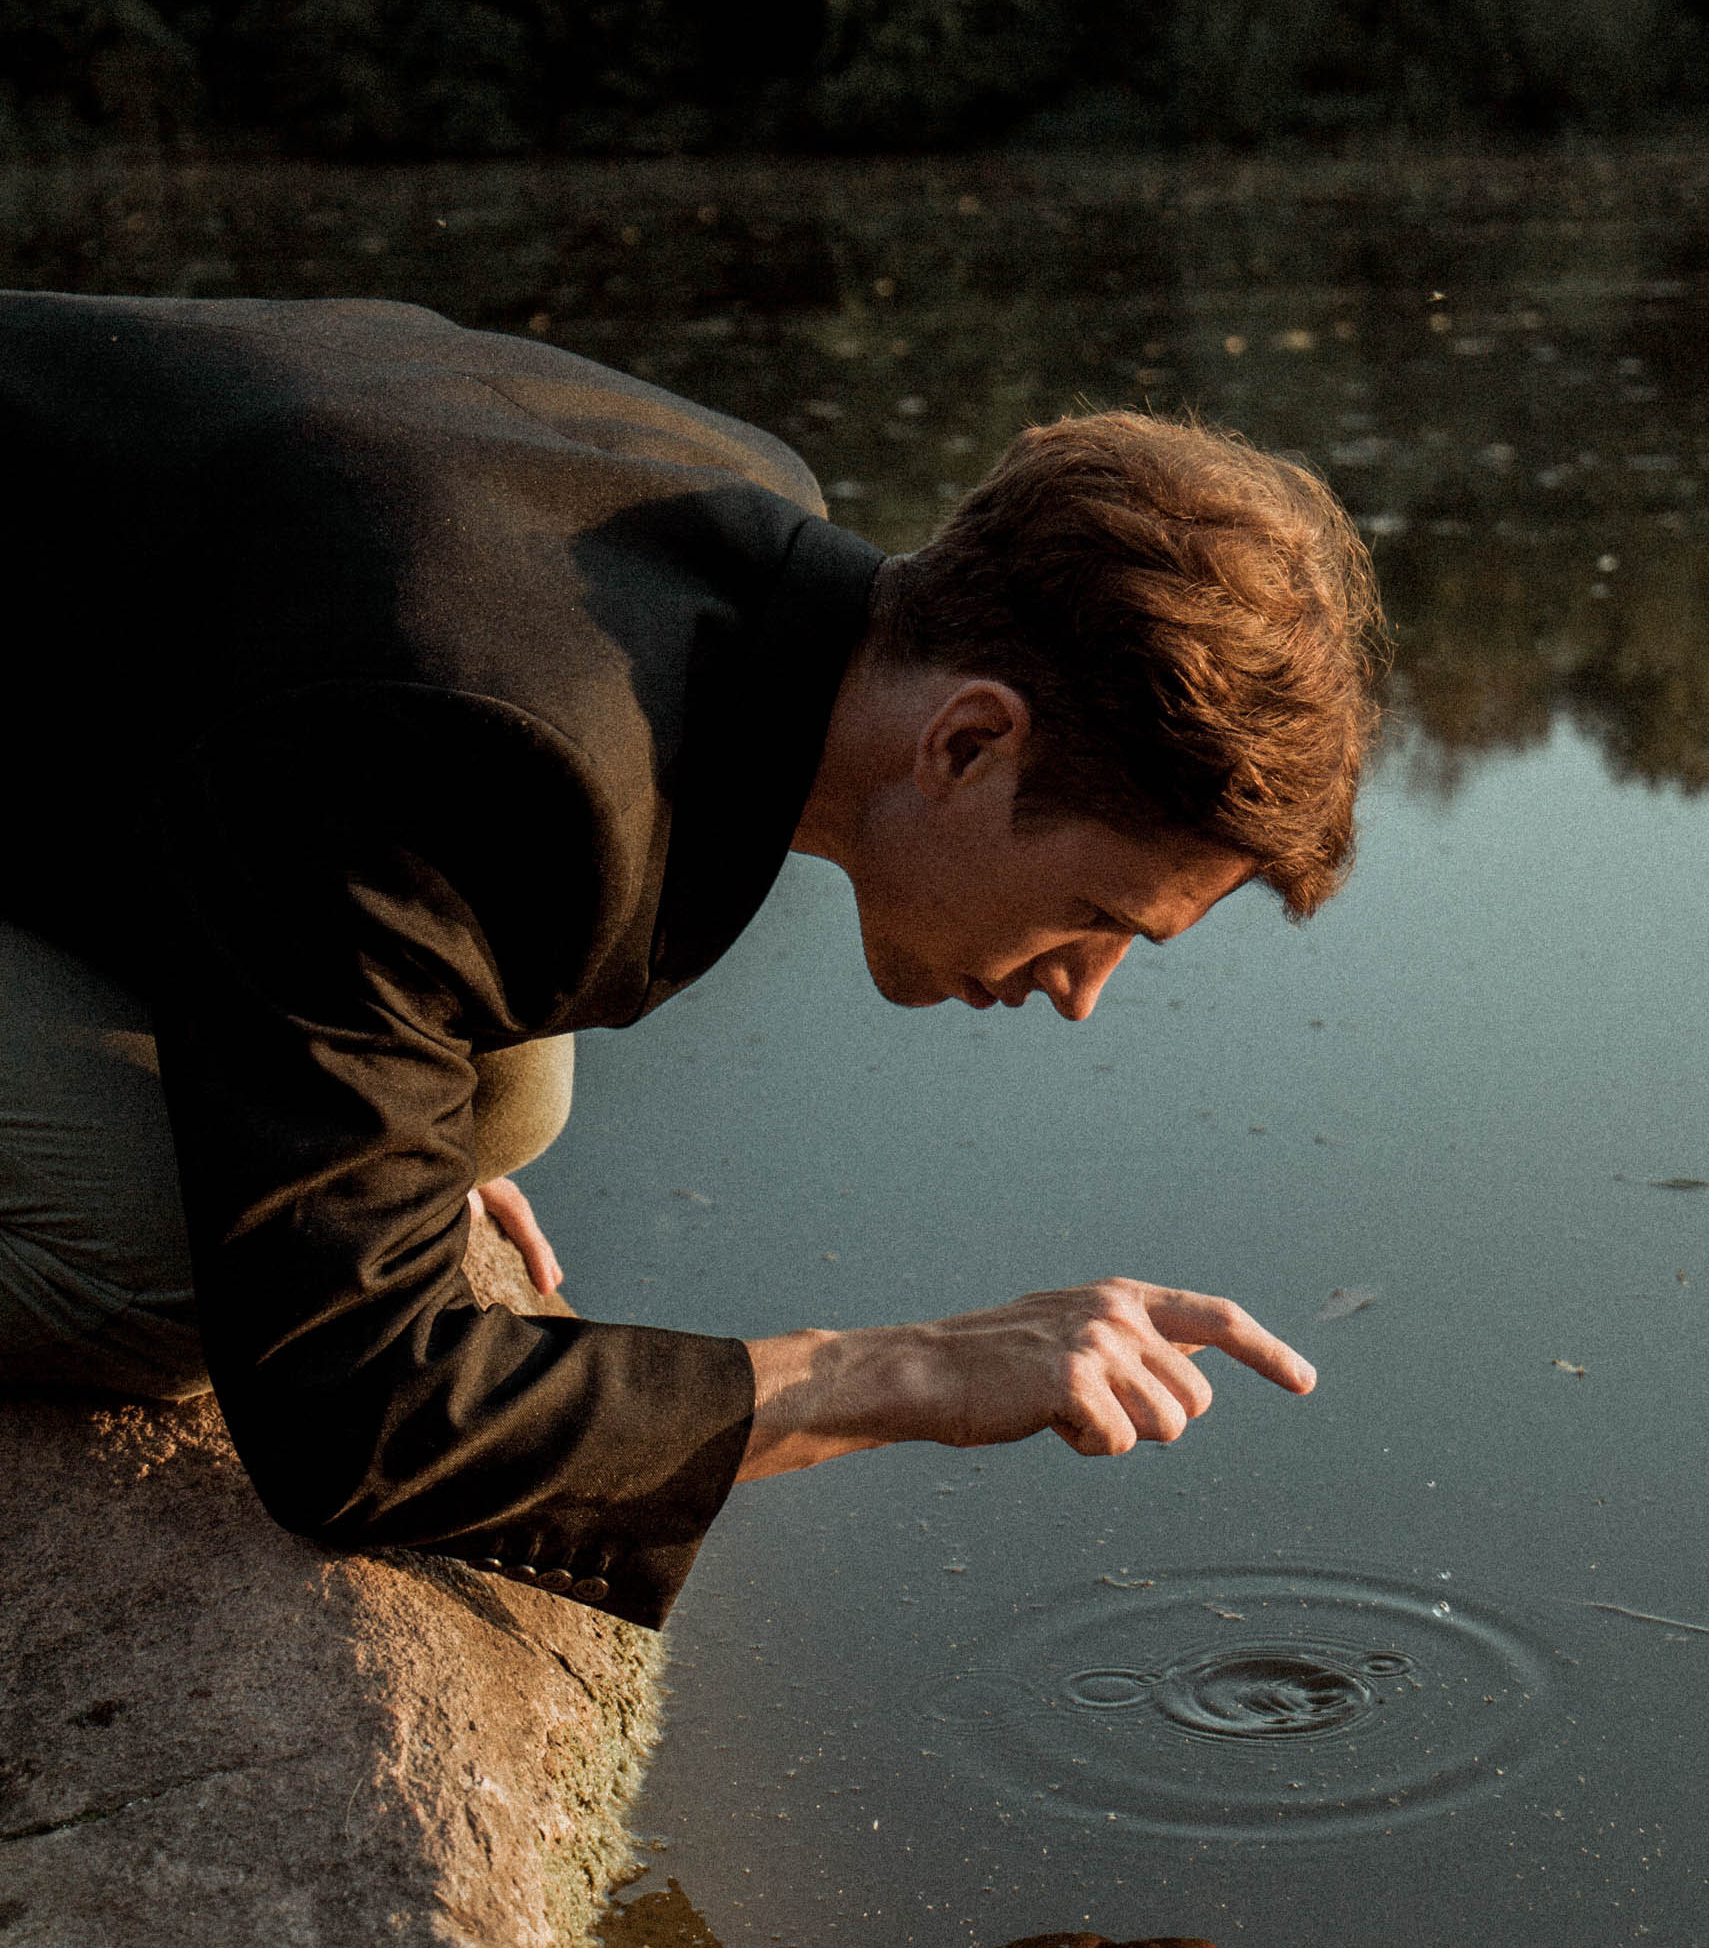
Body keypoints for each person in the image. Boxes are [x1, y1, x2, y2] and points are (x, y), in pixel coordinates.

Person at [0, 292, 1383, 1623]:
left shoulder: (742, 506)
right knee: (169, 1272)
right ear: (968, 742)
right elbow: (349, 1412)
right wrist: (909, 1372)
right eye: (1100, 918)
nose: (1082, 994)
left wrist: (375, 1163)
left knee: (506, 1099)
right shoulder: (495, 754)